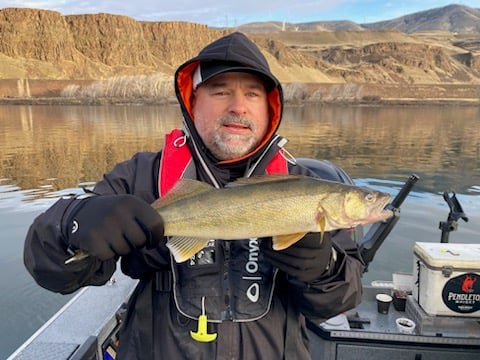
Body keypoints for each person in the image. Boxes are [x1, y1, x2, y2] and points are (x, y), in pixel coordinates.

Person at [24, 32, 364, 359]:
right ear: (193, 101)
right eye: (220, 91)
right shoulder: (142, 175)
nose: (238, 107)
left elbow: (340, 302)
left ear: (270, 108)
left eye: (253, 94)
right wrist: (72, 224)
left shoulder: (305, 183)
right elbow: (52, 270)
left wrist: (324, 268)